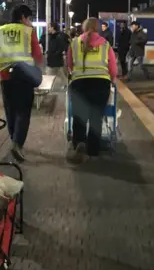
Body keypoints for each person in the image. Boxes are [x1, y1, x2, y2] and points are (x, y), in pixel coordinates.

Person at [0, 4, 43, 162]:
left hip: (6, 78)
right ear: (23, 17)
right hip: (24, 78)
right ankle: (17, 143)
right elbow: (38, 56)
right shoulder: (29, 31)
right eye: (29, 18)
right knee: (23, 112)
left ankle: (14, 138)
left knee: (10, 111)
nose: (30, 22)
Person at [66, 17, 117, 164]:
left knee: (79, 117)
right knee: (96, 118)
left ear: (83, 27)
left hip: (80, 83)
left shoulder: (74, 43)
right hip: (101, 84)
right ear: (98, 28)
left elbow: (69, 65)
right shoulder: (105, 45)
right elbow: (113, 69)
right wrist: (111, 82)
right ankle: (93, 150)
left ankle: (79, 144)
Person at [42, 22, 70, 89]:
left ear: (53, 28)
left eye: (49, 27)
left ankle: (47, 88)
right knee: (60, 74)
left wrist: (54, 54)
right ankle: (67, 84)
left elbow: (61, 47)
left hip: (54, 59)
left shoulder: (58, 36)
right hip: (54, 59)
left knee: (50, 74)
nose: (48, 28)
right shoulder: (52, 36)